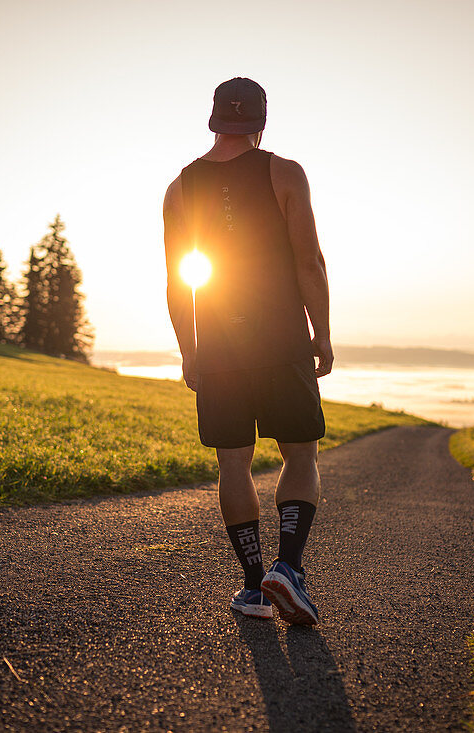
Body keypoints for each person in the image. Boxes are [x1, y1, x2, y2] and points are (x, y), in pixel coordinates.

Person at [163, 77, 333, 625]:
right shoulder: (284, 172)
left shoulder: (180, 187)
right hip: (282, 339)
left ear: (213, 119)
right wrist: (322, 334)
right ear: (261, 122)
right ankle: (287, 568)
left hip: (216, 345)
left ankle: (252, 591)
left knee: (232, 463)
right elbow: (309, 262)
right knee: (299, 453)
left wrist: (190, 350)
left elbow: (178, 281)